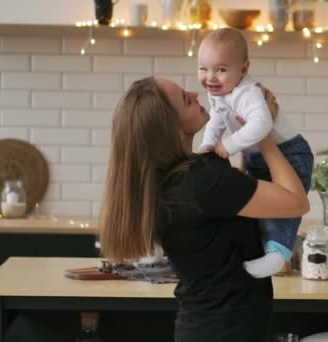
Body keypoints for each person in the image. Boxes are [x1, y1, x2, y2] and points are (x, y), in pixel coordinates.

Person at [99, 77, 310, 341]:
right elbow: (296, 202)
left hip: (203, 326)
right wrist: (264, 135)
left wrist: (246, 137)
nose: (196, 94)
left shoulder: (170, 180)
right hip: (228, 332)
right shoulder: (202, 179)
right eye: (186, 100)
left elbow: (237, 202)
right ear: (170, 127)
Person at [197, 28, 314, 278]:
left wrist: (226, 146)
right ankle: (267, 252)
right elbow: (217, 118)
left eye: (220, 69)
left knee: (284, 210)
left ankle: (277, 255)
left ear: (244, 69)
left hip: (290, 152)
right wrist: (208, 143)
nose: (210, 78)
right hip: (256, 155)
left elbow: (262, 125)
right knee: (260, 204)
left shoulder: (247, 93)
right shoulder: (220, 91)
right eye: (203, 68)